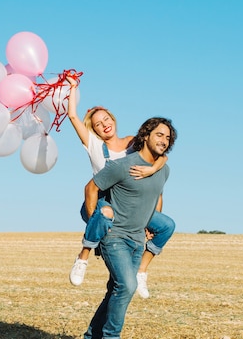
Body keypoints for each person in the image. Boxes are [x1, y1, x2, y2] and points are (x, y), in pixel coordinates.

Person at [65, 77, 176, 299]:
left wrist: (151, 170)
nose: (104, 124)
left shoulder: (133, 142)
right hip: (103, 200)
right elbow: (72, 116)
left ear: (113, 119)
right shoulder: (93, 144)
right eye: (98, 124)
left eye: (106, 119)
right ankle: (83, 256)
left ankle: (142, 272)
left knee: (166, 226)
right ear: (94, 130)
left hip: (131, 203)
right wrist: (73, 88)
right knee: (105, 214)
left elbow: (161, 154)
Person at [83, 116, 177, 339]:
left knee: (116, 291)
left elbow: (157, 195)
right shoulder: (122, 166)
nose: (164, 140)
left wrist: (151, 222)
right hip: (115, 237)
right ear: (145, 135)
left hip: (137, 240)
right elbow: (91, 188)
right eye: (159, 134)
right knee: (126, 286)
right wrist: (95, 224)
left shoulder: (163, 170)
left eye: (168, 137)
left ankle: (91, 336)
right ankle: (111, 336)